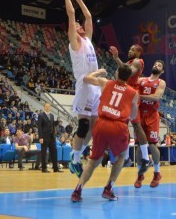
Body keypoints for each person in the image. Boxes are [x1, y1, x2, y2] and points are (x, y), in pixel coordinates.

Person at [70, 65, 139, 202]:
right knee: (121, 157)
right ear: (129, 77)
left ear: (117, 72)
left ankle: (77, 190)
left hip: (101, 124)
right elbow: (133, 115)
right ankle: (108, 188)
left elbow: (86, 79)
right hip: (119, 126)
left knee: (93, 161)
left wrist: (99, 72)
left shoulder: (105, 82)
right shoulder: (133, 92)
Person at [62, 0, 101, 178]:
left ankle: (76, 155)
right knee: (84, 125)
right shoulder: (75, 44)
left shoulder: (87, 39)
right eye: (77, 26)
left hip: (96, 88)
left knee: (94, 127)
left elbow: (88, 16)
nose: (80, 26)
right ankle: (75, 160)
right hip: (85, 84)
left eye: (80, 25)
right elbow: (71, 15)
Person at [109, 45, 150, 177]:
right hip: (125, 93)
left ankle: (146, 158)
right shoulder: (128, 62)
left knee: (137, 126)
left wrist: (116, 59)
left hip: (132, 94)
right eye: (129, 48)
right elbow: (123, 71)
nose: (129, 50)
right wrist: (117, 59)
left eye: (132, 49)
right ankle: (126, 158)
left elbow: (127, 73)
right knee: (123, 126)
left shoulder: (138, 62)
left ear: (138, 52)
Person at [133, 60, 166, 188]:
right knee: (139, 146)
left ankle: (157, 172)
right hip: (140, 114)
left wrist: (138, 96)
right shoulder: (141, 80)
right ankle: (140, 174)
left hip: (152, 115)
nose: (156, 66)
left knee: (152, 145)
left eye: (159, 65)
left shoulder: (161, 82)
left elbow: (156, 97)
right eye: (155, 64)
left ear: (162, 71)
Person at [38, 103, 61, 173]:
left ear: (50, 107)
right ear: (44, 107)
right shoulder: (41, 115)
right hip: (44, 137)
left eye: (49, 106)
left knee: (54, 152)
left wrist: (56, 123)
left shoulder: (52, 115)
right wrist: (40, 137)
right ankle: (44, 168)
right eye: (46, 106)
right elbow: (39, 127)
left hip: (51, 136)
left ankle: (55, 168)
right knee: (44, 152)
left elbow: (52, 125)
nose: (47, 107)